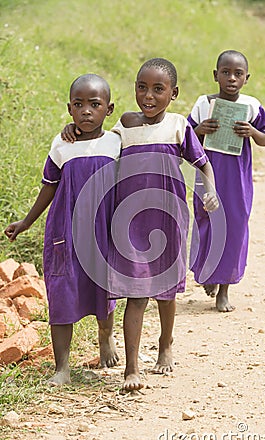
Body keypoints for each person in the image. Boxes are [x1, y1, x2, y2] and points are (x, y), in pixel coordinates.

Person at [61, 58, 219, 391]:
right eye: (142, 87)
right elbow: (97, 137)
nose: (148, 96)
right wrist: (71, 130)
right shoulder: (124, 126)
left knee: (165, 293)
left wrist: (211, 191)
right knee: (135, 294)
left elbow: (203, 164)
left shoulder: (179, 125)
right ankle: (131, 368)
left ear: (173, 94)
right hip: (129, 220)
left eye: (158, 90)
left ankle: (165, 344)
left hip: (168, 217)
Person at [5, 74, 121, 385]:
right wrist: (26, 221)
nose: (86, 111)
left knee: (103, 289)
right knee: (62, 293)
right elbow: (49, 186)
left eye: (94, 105)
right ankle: (62, 367)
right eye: (79, 105)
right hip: (65, 233)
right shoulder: (61, 144)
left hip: (102, 232)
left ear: (108, 110)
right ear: (69, 109)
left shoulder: (115, 142)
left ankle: (105, 337)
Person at [188, 50, 265, 312]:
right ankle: (210, 272)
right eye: (226, 72)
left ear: (247, 78)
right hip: (209, 174)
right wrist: (200, 130)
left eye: (238, 74)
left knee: (235, 226)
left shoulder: (251, 106)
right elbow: (187, 136)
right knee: (207, 223)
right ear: (216, 75)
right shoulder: (204, 103)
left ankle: (224, 288)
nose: (232, 78)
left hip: (237, 178)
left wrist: (252, 131)